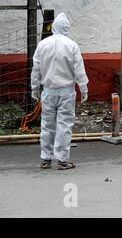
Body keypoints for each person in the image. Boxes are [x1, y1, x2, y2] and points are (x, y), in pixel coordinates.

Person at [31, 13, 89, 170]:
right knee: (64, 125)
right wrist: (83, 88)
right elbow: (79, 71)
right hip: (66, 91)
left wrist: (35, 88)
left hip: (48, 91)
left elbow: (36, 69)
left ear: (53, 27)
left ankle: (45, 159)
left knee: (47, 125)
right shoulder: (72, 45)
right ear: (67, 28)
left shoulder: (42, 45)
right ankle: (62, 160)